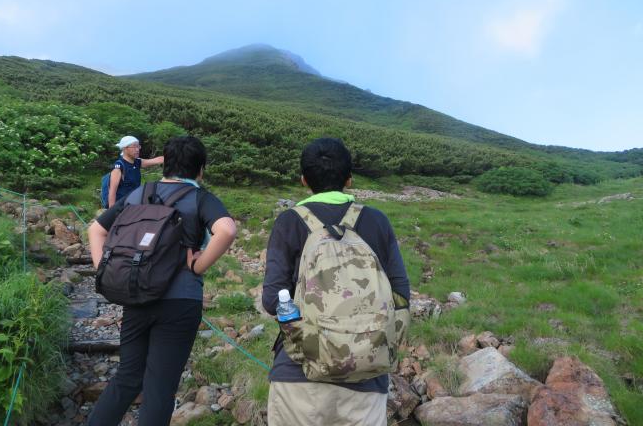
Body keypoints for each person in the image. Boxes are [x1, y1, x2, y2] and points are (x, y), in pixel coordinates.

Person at [87, 136, 237, 426]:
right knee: (160, 387)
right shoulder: (200, 197)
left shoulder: (140, 193)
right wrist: (198, 265)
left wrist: (104, 270)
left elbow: (96, 230)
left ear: (165, 165)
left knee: (127, 377)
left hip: (136, 292)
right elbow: (227, 231)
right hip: (180, 302)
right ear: (200, 169)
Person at [262, 137, 411, 426]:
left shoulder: (289, 221)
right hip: (368, 376)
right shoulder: (377, 221)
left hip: (298, 375)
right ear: (349, 179)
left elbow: (272, 300)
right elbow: (401, 294)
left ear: (304, 180)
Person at [107, 135, 164, 207]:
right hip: (122, 206)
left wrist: (173, 157)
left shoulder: (137, 162)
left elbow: (156, 160)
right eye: (134, 147)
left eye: (138, 146)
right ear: (124, 148)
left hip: (134, 203)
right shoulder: (119, 167)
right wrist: (111, 212)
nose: (137, 149)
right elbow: (112, 192)